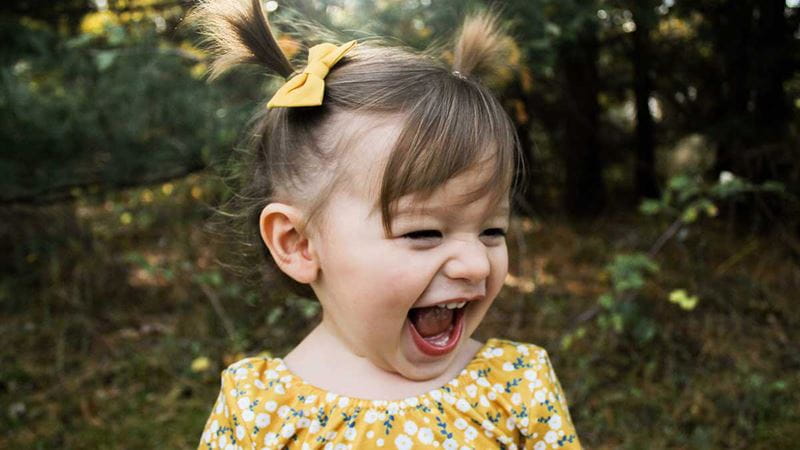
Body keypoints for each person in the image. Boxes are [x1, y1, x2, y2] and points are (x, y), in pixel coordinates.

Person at [190, 0, 581, 448]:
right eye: (423, 233)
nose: (476, 264)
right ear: (298, 243)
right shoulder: (257, 413)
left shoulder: (517, 388)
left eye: (492, 230)